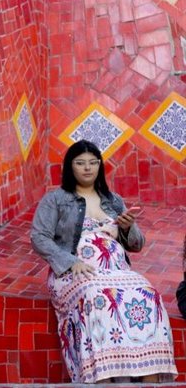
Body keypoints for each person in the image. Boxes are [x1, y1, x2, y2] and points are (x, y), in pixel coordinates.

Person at [30, 140, 176, 383]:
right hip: (75, 274)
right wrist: (69, 261)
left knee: (148, 293)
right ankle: (104, 377)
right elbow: (39, 237)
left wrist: (128, 228)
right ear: (70, 167)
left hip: (118, 272)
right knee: (97, 296)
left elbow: (137, 244)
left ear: (99, 166)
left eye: (93, 163)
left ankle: (148, 373)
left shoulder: (114, 200)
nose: (87, 168)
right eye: (80, 163)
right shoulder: (55, 199)